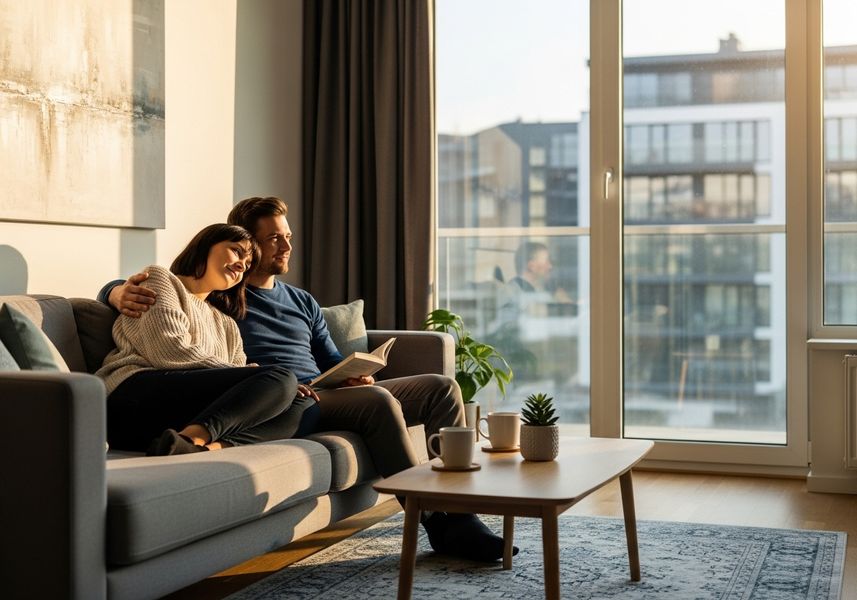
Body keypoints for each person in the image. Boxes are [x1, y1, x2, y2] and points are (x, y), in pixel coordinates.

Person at [99, 197, 516, 562]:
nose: (285, 246)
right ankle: (436, 523)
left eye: (287, 236)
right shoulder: (226, 294)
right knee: (369, 404)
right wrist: (114, 291)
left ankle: (461, 512)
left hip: (317, 389)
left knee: (439, 387)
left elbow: (330, 358)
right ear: (244, 239)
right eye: (272, 239)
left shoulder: (300, 299)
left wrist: (354, 374)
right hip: (280, 394)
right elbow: (163, 292)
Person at [97, 223, 315, 456]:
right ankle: (192, 439)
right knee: (281, 378)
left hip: (174, 420)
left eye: (248, 264)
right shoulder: (161, 279)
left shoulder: (227, 324)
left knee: (304, 404)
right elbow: (168, 351)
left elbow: (240, 388)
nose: (242, 265)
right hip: (131, 399)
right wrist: (258, 375)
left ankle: (195, 445)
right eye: (236, 251)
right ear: (205, 246)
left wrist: (271, 386)